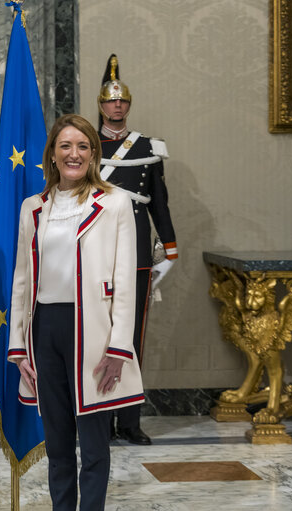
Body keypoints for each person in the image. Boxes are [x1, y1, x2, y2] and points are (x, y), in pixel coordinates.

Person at [8, 114, 144, 510]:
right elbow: (21, 281)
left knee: (95, 444)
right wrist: (19, 348)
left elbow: (125, 281)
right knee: (59, 442)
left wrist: (119, 347)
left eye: (83, 146)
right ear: (52, 154)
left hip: (93, 332)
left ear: (93, 154)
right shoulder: (33, 207)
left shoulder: (115, 202)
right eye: (65, 146)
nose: (74, 154)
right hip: (46, 330)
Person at [97, 54, 178, 445]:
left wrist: (171, 247)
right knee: (96, 335)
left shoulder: (148, 147)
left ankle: (129, 422)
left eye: (122, 101)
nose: (117, 106)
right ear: (100, 105)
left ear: (128, 105)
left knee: (131, 336)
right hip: (95, 251)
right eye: (111, 101)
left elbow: (159, 201)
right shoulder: (84, 144)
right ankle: (98, 419)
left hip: (137, 252)